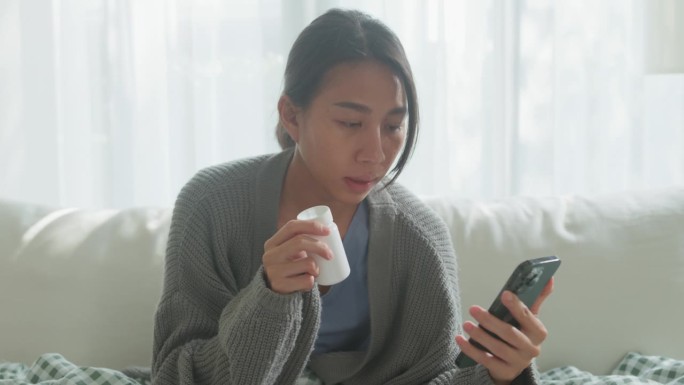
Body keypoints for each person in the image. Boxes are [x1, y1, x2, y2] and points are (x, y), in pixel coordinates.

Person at [152, 8, 553, 385]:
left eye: (393, 126)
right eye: (350, 122)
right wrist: (270, 298)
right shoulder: (211, 205)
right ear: (291, 115)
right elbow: (173, 374)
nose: (375, 154)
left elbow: (438, 376)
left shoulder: (421, 238)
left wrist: (504, 374)